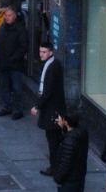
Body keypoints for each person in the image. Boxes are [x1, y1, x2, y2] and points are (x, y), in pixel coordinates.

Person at [32, 41, 65, 174]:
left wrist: (37, 106)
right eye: (40, 51)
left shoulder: (52, 66)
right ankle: (57, 165)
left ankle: (55, 167)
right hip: (54, 108)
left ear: (51, 52)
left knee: (53, 140)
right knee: (54, 139)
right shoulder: (51, 64)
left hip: (53, 110)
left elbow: (48, 90)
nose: (41, 54)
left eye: (44, 52)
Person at [0, 7, 28, 120]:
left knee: (17, 87)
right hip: (3, 63)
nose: (7, 17)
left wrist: (14, 58)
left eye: (9, 15)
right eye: (6, 15)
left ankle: (18, 110)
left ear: (15, 16)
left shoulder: (20, 29)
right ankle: (6, 107)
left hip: (15, 64)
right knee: (4, 86)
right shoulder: (2, 27)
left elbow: (23, 47)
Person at [51, 108, 90, 192]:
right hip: (79, 175)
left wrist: (57, 178)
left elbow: (66, 162)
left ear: (66, 121)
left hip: (69, 180)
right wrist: (63, 128)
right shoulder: (82, 132)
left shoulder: (69, 140)